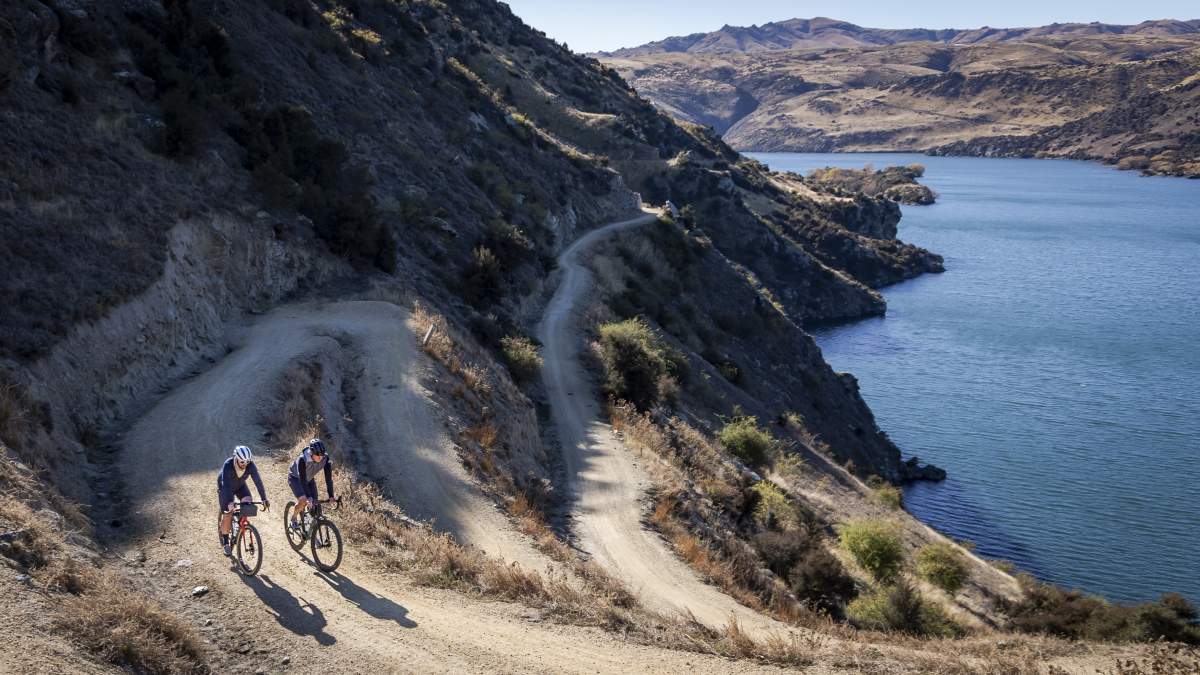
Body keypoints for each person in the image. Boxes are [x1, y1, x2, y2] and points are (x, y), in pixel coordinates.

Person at [217, 445, 269, 556]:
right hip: (226, 487)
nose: (244, 465)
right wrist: (229, 503)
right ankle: (226, 542)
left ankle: (240, 524)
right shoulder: (228, 465)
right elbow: (226, 486)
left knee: (248, 501)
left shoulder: (250, 465)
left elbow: (258, 482)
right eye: (242, 462)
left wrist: (264, 498)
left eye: (247, 462)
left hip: (240, 485)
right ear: (236, 458)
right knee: (228, 513)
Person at [287, 438, 335, 532]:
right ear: (311, 452)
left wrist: (331, 495)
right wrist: (308, 497)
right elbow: (302, 480)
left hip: (309, 479)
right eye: (318, 455)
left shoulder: (325, 458)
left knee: (315, 505)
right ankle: (293, 518)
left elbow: (328, 479)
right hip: (295, 478)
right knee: (304, 500)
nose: (320, 458)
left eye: (322, 455)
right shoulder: (302, 459)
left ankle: (308, 529)